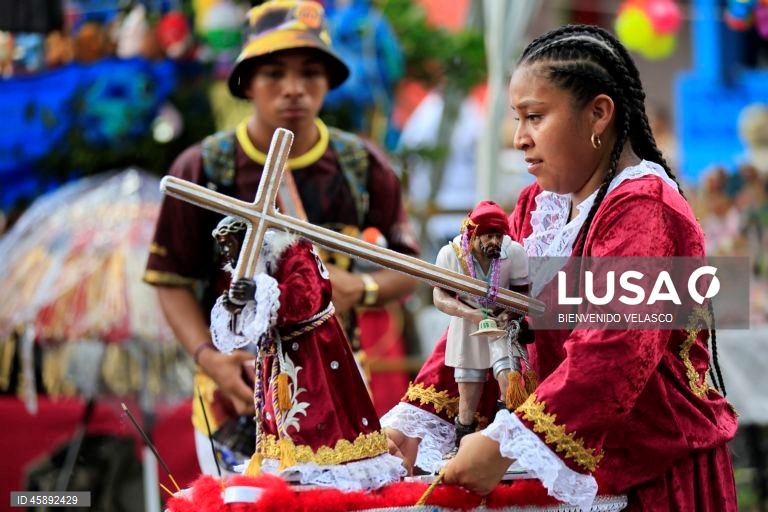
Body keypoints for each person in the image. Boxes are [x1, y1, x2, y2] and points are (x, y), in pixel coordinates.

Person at [387, 25, 738, 511]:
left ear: (598, 113)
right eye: (516, 118)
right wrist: (414, 420)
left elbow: (616, 348)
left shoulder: (646, 208)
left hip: (650, 478)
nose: (519, 139)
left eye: (535, 117)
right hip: (571, 472)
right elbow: (495, 315)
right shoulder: (539, 205)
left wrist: (505, 443)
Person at [143, 0, 418, 475]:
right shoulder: (204, 169)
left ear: (329, 81)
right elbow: (170, 280)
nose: (293, 89)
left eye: (310, 72)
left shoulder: (362, 167)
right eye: (273, 73)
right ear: (246, 82)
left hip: (341, 388)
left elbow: (409, 266)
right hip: (233, 392)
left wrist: (364, 289)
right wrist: (210, 358)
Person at [207, 216, 404, 488]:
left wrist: (260, 292)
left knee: (321, 417)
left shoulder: (293, 250)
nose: (228, 254)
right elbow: (248, 322)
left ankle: (327, 469)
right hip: (278, 357)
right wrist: (239, 303)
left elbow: (308, 295)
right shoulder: (252, 264)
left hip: (313, 353)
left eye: (230, 245)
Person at [432, 200, 530, 455]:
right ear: (473, 234)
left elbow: (523, 295)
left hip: (501, 324)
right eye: (489, 236)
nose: (495, 242)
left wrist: (510, 314)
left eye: (498, 236)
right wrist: (469, 313)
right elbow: (439, 298)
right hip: (467, 325)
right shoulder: (450, 254)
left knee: (511, 381)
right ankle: (461, 444)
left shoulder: (514, 252)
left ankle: (506, 443)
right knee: (468, 395)